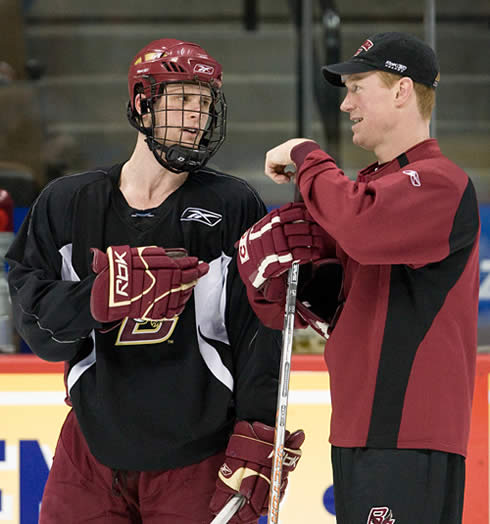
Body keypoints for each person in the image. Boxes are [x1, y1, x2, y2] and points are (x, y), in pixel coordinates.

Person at [6, 38, 305, 524]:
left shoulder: (233, 206)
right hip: (91, 450)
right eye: (183, 99)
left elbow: (259, 335)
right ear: (144, 102)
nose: (197, 117)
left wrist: (259, 430)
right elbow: (38, 332)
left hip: (198, 454)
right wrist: (98, 299)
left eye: (206, 104)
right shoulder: (67, 204)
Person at [236, 32, 480, 523]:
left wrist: (308, 154)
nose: (346, 103)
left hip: (407, 438)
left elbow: (361, 227)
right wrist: (277, 285)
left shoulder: (441, 183)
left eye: (357, 86)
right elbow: (325, 304)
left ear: (401, 91)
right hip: (357, 431)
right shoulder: (371, 189)